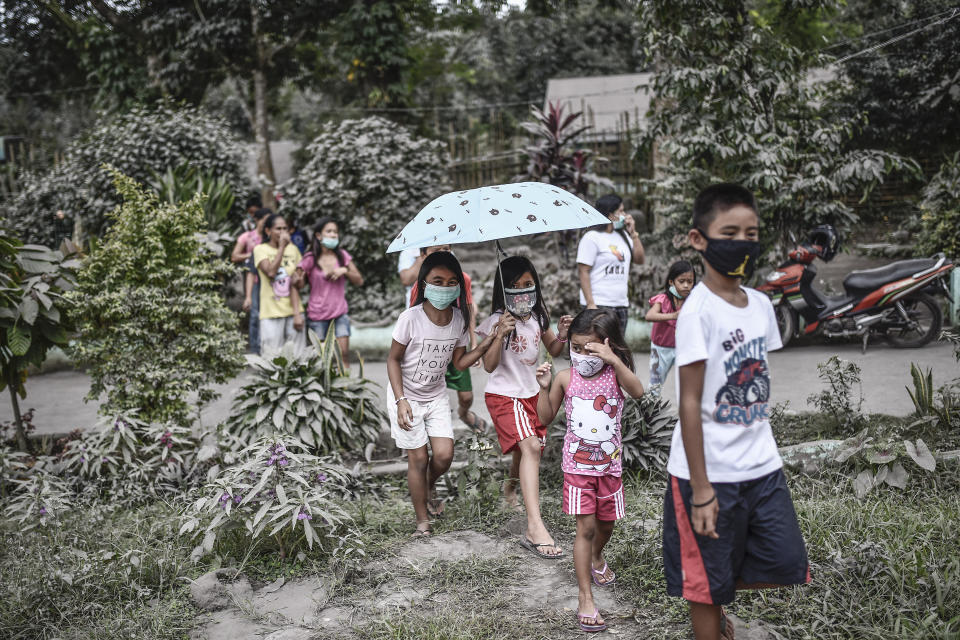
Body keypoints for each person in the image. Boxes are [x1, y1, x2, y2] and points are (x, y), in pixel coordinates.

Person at [664, 184, 809, 640]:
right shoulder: (697, 312)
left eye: (752, 233)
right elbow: (689, 401)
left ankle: (716, 585)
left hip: (762, 466)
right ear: (698, 239)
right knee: (706, 586)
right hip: (705, 474)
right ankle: (710, 616)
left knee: (785, 560)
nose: (743, 242)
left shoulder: (762, 306)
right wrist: (702, 491)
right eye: (730, 232)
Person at [535, 309, 646, 632]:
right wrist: (544, 387)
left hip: (609, 468)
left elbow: (638, 391)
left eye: (591, 348)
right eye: (577, 348)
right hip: (577, 470)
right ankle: (585, 597)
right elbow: (544, 418)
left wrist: (613, 360)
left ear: (608, 345)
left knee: (606, 526)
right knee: (584, 529)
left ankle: (597, 556)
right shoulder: (565, 378)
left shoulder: (615, 375)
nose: (583, 355)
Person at [387, 251, 499, 537]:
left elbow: (460, 363)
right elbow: (393, 360)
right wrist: (401, 401)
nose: (445, 287)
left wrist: (490, 342)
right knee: (418, 458)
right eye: (438, 280)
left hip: (435, 395)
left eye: (452, 282)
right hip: (406, 396)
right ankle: (422, 521)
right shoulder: (410, 318)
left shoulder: (459, 319)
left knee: (444, 456)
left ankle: (426, 483)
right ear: (424, 284)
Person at [476, 255, 571, 557]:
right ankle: (535, 527)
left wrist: (563, 334)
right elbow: (489, 367)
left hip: (532, 393)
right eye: (514, 286)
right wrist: (499, 334)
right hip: (504, 395)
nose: (522, 291)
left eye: (528, 284)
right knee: (530, 447)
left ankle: (511, 488)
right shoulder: (495, 321)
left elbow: (553, 348)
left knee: (527, 448)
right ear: (504, 291)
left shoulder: (538, 316)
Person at [409, 245, 485, 434]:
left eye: (447, 248)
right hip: (429, 350)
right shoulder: (419, 286)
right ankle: (418, 434)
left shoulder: (462, 279)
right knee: (428, 395)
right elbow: (413, 319)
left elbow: (468, 310)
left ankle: (463, 413)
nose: (443, 253)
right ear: (423, 254)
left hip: (456, 345)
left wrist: (474, 344)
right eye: (437, 250)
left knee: (466, 397)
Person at [296, 218, 363, 367]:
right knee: (320, 359)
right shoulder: (309, 258)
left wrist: (344, 270)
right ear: (319, 236)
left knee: (343, 355)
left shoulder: (343, 256)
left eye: (335, 232)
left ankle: (345, 386)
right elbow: (298, 285)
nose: (333, 235)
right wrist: (298, 278)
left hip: (339, 313)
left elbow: (359, 280)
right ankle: (323, 390)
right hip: (317, 315)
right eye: (329, 231)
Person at [576, 193, 645, 334]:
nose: (625, 215)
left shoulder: (624, 236)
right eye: (620, 211)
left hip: (620, 304)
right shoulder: (592, 237)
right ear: (610, 215)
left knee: (617, 351)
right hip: (599, 304)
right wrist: (590, 303)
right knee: (597, 349)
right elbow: (583, 271)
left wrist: (633, 233)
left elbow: (639, 260)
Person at [253, 213, 304, 355]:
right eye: (278, 229)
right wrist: (282, 247)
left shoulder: (293, 250)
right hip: (271, 313)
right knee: (272, 358)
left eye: (285, 229)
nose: (282, 232)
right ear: (268, 231)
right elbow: (270, 272)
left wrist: (299, 280)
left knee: (297, 358)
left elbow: (300, 284)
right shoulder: (260, 249)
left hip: (294, 313)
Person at [645, 260, 696, 394]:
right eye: (681, 281)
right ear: (671, 282)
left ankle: (686, 414)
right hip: (660, 349)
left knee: (687, 385)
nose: (686, 285)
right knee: (655, 385)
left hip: (684, 348)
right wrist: (673, 315)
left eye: (690, 281)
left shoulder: (693, 301)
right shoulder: (663, 299)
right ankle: (648, 413)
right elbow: (649, 316)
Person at [239, 208, 271, 354]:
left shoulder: (273, 240)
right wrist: (253, 255)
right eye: (265, 219)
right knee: (255, 316)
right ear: (257, 220)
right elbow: (235, 257)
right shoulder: (248, 237)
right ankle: (255, 351)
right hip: (256, 282)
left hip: (270, 284)